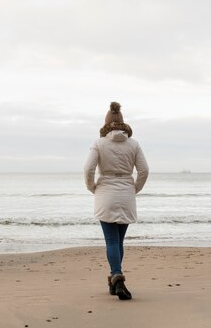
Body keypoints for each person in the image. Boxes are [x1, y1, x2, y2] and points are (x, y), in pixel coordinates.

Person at [84, 102, 149, 300]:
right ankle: (115, 276)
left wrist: (92, 187)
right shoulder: (133, 143)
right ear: (122, 121)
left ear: (106, 122)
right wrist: (135, 188)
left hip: (106, 192)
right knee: (119, 241)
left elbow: (88, 169)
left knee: (111, 240)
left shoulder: (99, 143)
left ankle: (117, 277)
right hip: (126, 193)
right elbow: (144, 170)